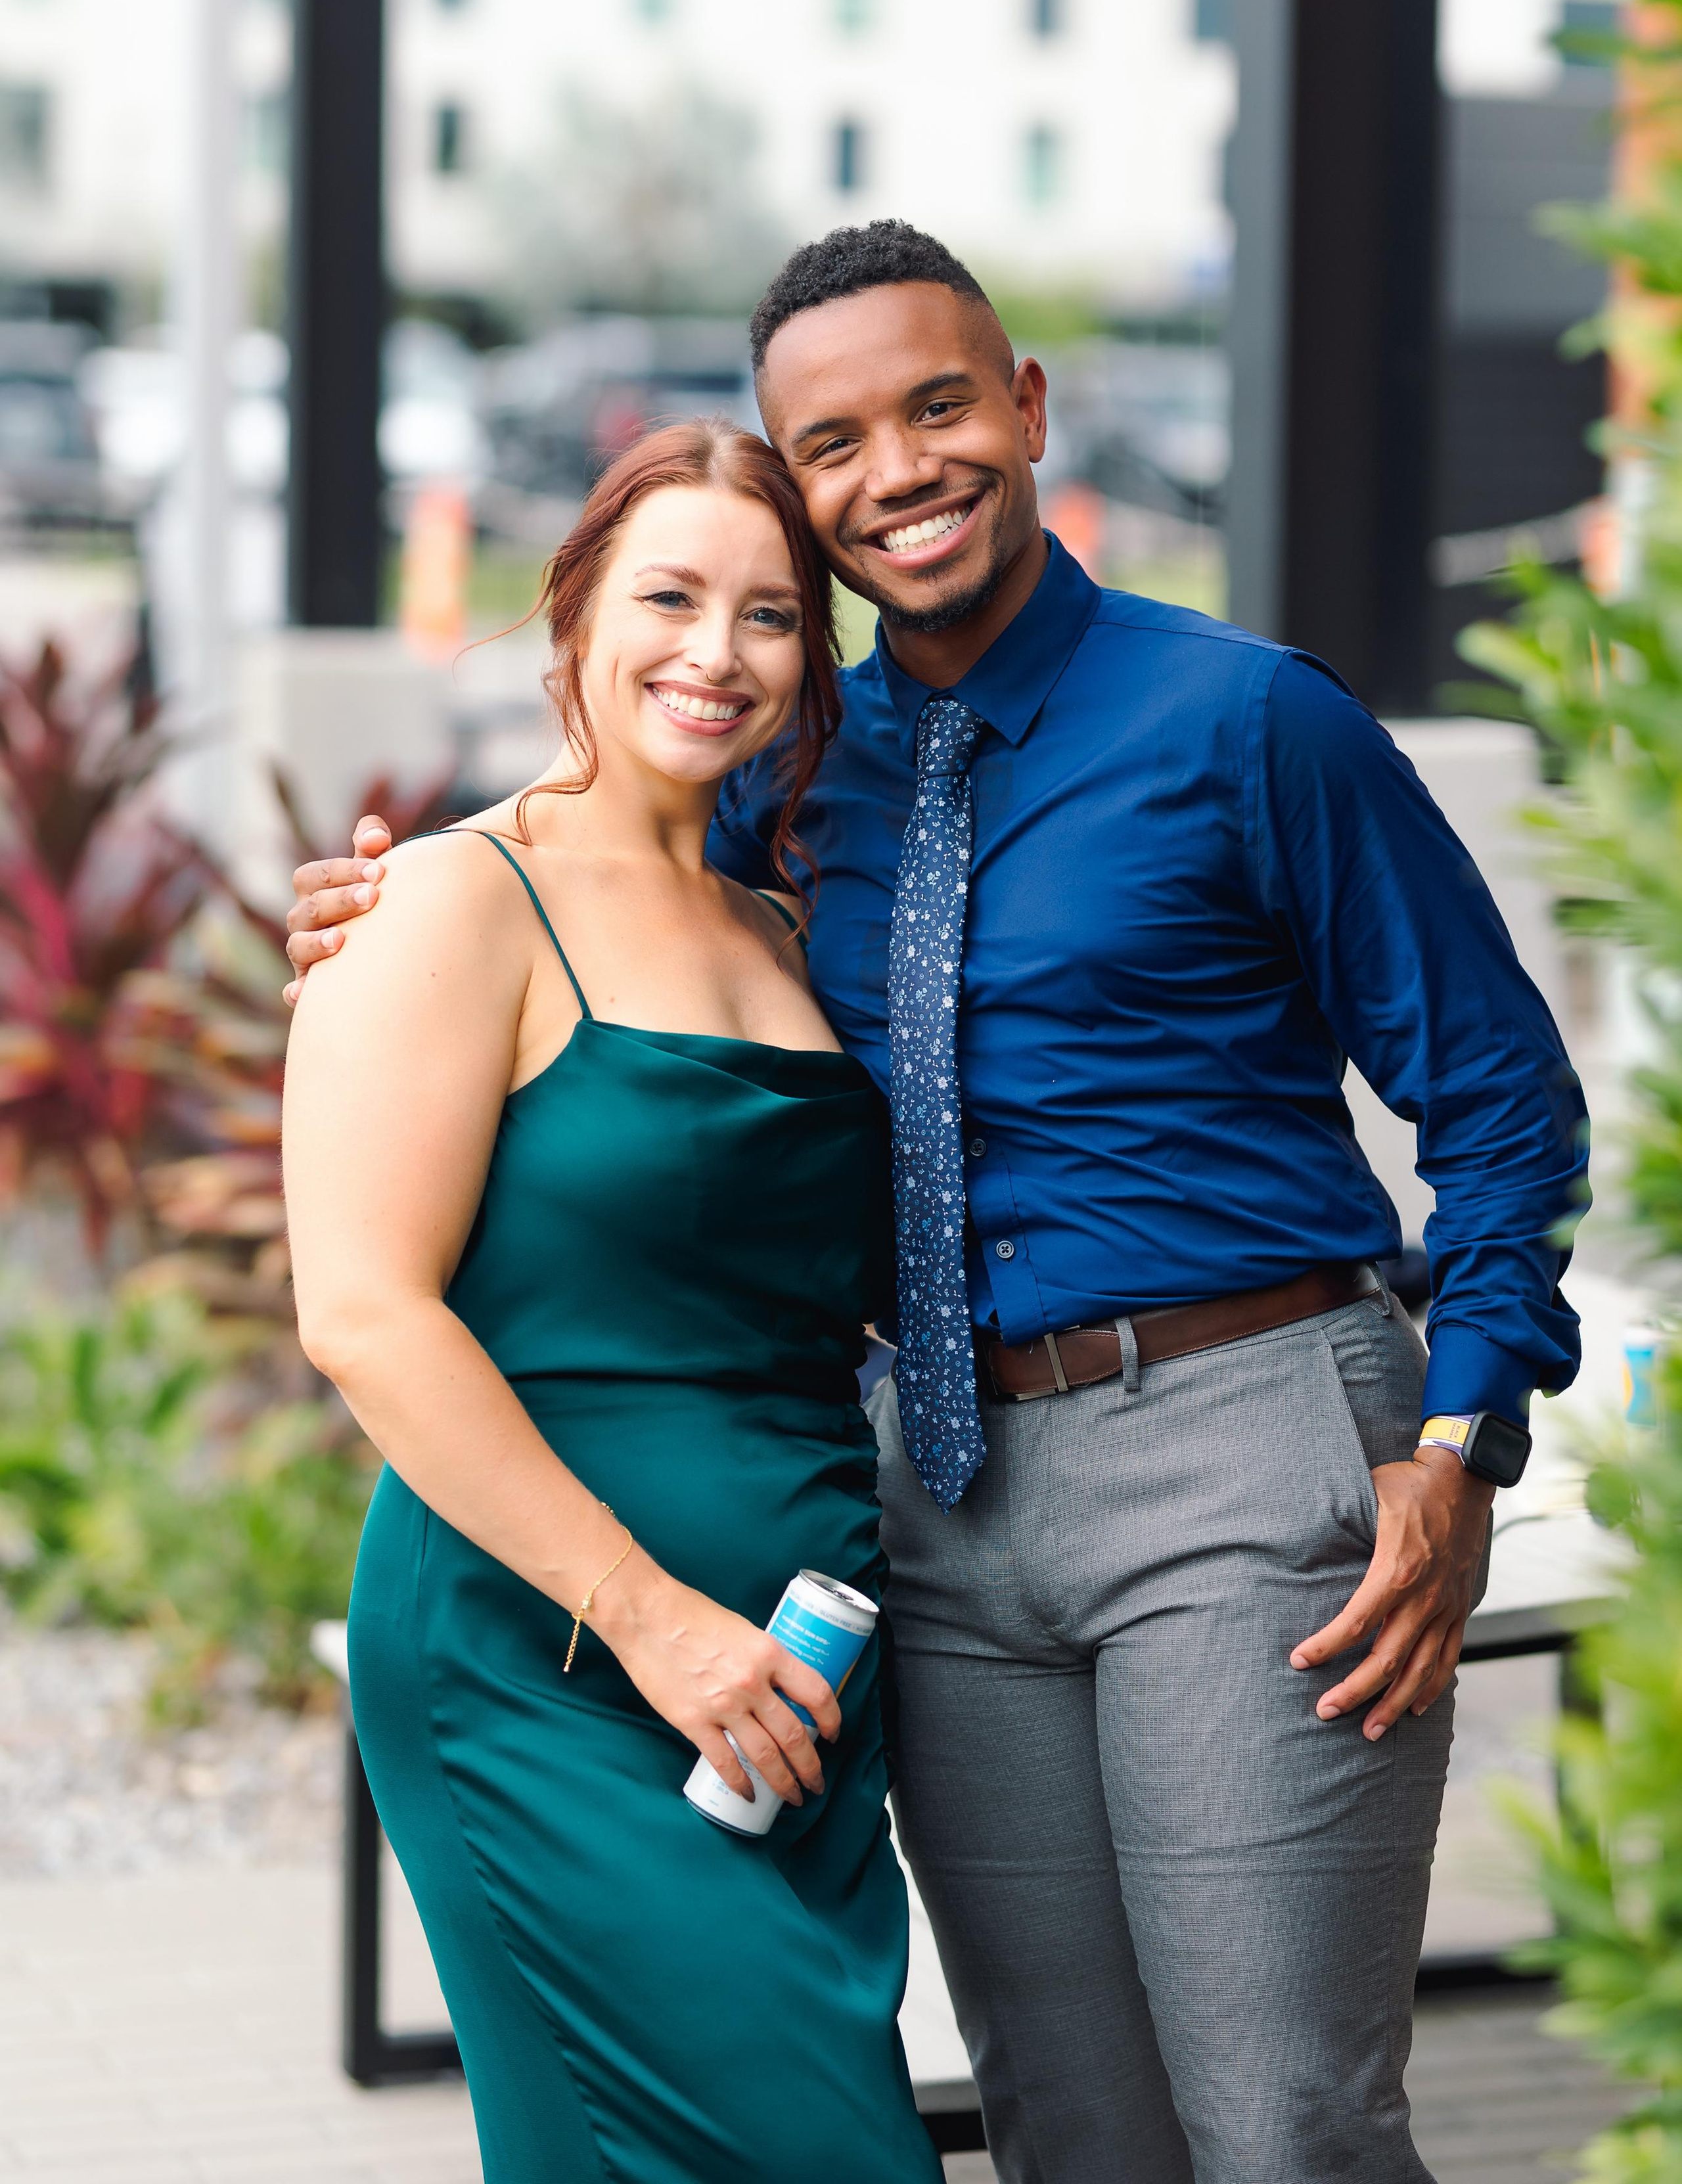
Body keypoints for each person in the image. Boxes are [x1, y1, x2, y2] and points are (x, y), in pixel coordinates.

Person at [289, 223, 1589, 2184]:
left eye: (939, 406)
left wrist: (1462, 1434)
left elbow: (1498, 1091)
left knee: (1279, 2127)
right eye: (836, 443)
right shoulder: (789, 788)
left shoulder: (1251, 722)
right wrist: (370, 915)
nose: (899, 468)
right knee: (1065, 2128)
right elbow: (581, 928)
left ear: (1029, 408)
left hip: (1239, 1448)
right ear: (801, 500)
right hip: (935, 1516)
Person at [281, 419, 943, 2184]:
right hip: (549, 1661)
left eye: (771, 616)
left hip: (793, 1675)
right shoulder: (443, 902)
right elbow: (362, 1313)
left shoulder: (788, 929)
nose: (713, 655)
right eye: (668, 597)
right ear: (570, 611)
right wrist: (652, 1623)